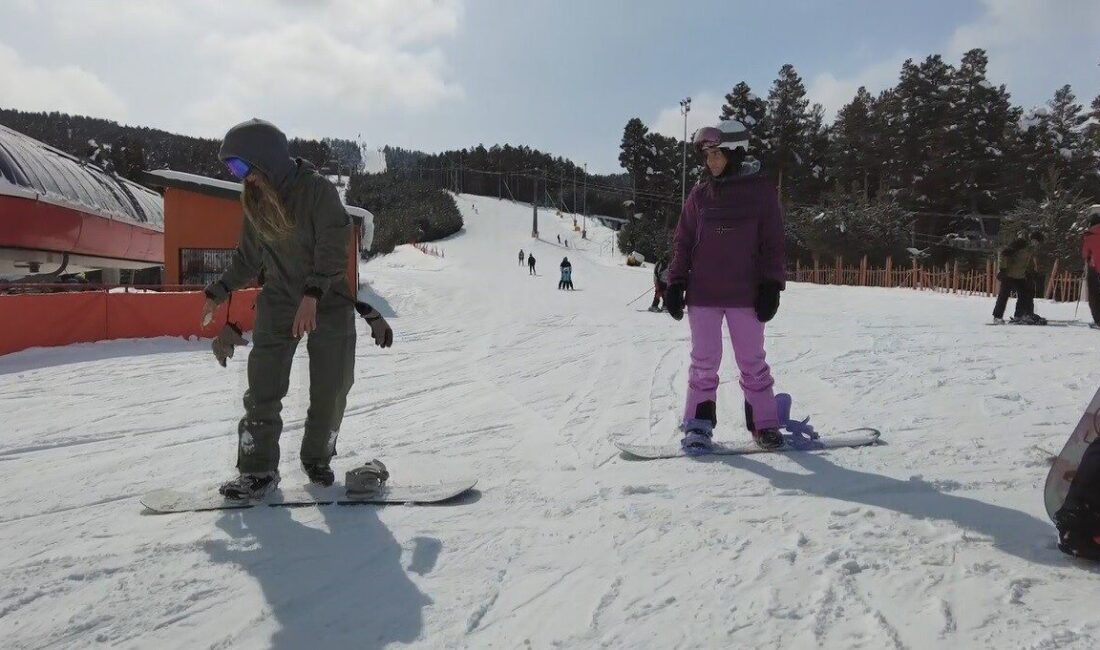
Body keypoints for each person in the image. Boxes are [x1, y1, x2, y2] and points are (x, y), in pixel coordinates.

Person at [200, 118, 364, 499]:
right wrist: (218, 291)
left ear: (266, 159)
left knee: (333, 385)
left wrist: (313, 294)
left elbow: (333, 247)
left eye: (241, 167)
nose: (240, 177)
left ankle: (318, 457)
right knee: (263, 386)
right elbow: (247, 258)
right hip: (279, 298)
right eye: (232, 169)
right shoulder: (257, 202)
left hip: (327, 297)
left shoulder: (318, 192)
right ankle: (257, 471)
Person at [665, 119, 785, 454]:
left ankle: (764, 423)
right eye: (707, 156)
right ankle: (698, 425)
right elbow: (683, 241)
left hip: (745, 294)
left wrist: (772, 284)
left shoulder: (761, 192)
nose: (711, 162)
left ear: (735, 152)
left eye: (717, 154)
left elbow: (773, 242)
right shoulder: (701, 195)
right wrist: (675, 281)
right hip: (703, 295)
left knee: (752, 362)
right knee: (703, 363)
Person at [993, 231, 1045, 325]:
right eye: (1036, 241)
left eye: (1038, 243)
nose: (1036, 244)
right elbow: (1004, 254)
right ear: (1032, 239)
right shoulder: (1021, 244)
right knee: (1003, 296)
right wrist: (1003, 269)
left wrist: (1032, 272)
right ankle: (997, 316)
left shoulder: (1030, 249)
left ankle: (1019, 315)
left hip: (1020, 276)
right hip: (1009, 274)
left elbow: (1027, 263)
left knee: (1024, 295)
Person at [1080, 206, 1100, 327]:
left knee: (1095, 295)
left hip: (1095, 269)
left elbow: (1085, 254)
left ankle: (1098, 319)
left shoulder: (1089, 236)